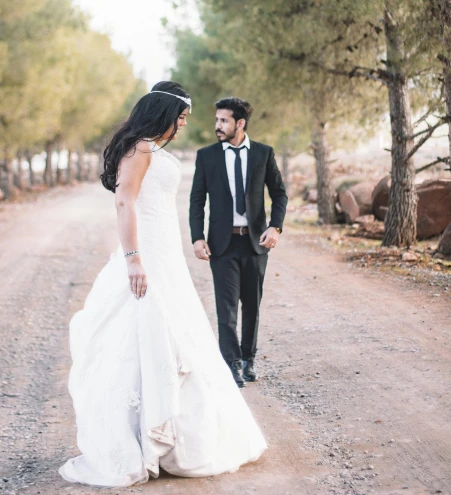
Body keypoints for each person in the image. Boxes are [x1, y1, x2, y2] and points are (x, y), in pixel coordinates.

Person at [59, 81, 266, 488]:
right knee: (144, 336)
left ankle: (169, 436)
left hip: (166, 254)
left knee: (176, 336)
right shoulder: (139, 149)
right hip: (146, 254)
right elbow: (125, 202)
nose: (184, 126)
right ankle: (143, 439)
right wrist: (133, 260)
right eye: (182, 118)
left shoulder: (151, 148)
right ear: (163, 114)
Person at [189, 97, 288, 388]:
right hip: (222, 244)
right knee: (226, 307)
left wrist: (276, 228)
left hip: (256, 243)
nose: (217, 125)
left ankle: (248, 359)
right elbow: (197, 200)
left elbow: (279, 194)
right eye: (217, 120)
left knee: (252, 306)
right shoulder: (207, 156)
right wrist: (197, 237)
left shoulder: (263, 154)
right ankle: (230, 364)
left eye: (224, 120)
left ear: (240, 123)